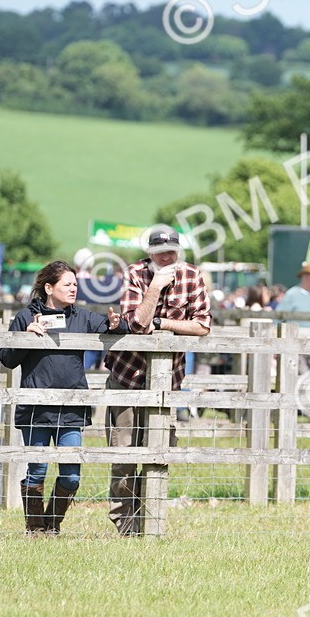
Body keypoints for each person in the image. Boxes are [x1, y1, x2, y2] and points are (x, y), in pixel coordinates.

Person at [0, 261, 126, 534]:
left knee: (71, 475)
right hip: (36, 408)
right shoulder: (25, 316)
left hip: (72, 407)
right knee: (37, 470)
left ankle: (51, 524)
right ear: (48, 287)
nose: (73, 289)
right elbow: (7, 359)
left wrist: (115, 324)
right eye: (67, 284)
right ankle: (36, 530)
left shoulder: (81, 316)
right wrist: (25, 337)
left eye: (75, 285)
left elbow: (113, 326)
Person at [104, 225, 211, 536]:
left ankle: (152, 522)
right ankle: (126, 525)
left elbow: (203, 325)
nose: (168, 257)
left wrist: (163, 323)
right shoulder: (135, 273)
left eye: (173, 251)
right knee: (124, 453)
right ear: (149, 254)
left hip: (168, 381)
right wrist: (156, 287)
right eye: (161, 252)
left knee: (160, 451)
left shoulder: (192, 275)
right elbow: (137, 324)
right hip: (128, 375)